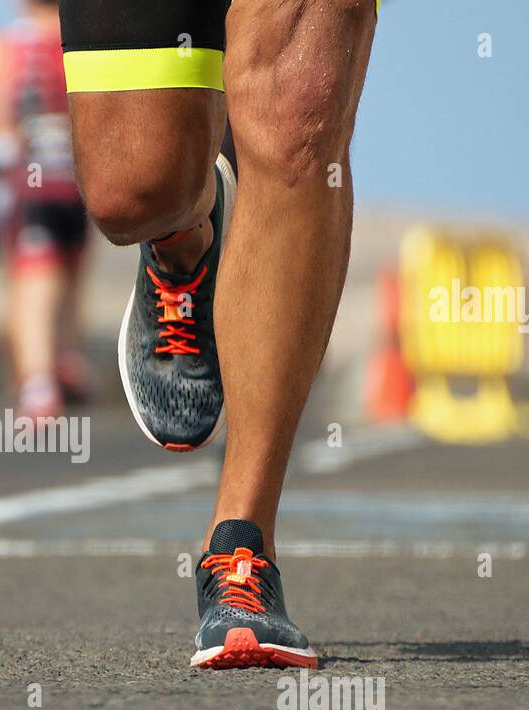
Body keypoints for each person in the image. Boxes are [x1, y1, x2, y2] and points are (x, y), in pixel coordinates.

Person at [56, 0, 378, 669]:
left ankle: (242, 544)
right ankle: (186, 238)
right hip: (150, 197)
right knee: (134, 189)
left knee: (299, 107)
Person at [0, 0, 90, 420]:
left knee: (50, 276)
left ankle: (48, 368)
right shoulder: (19, 44)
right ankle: (42, 373)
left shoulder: (9, 45)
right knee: (46, 275)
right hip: (52, 182)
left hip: (53, 182)